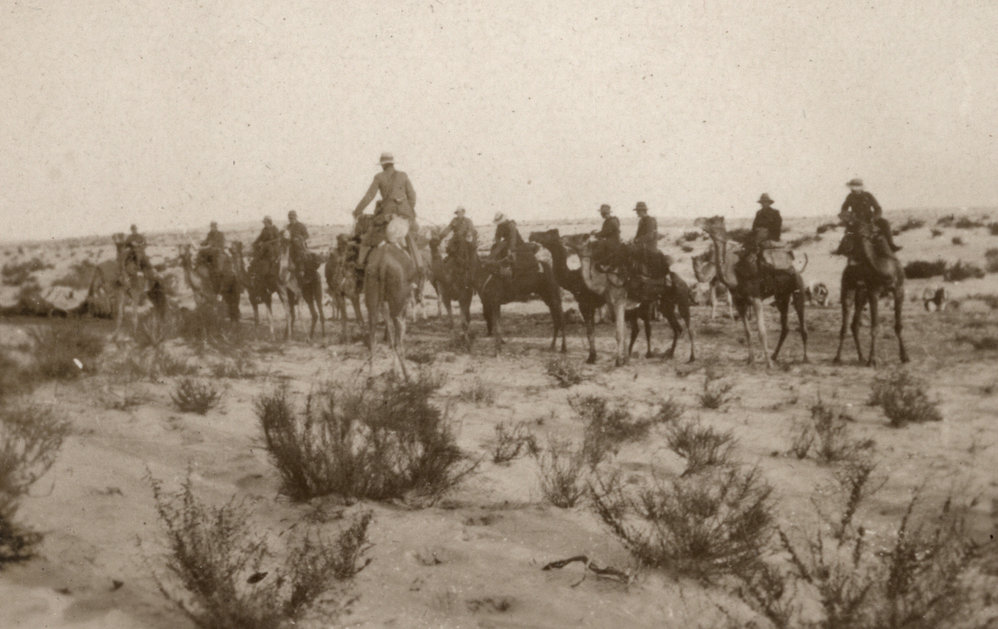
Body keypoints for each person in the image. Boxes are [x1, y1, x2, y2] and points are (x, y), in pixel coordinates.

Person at [352, 152, 421, 271]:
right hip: (406, 216)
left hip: (387, 215)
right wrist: (408, 209)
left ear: (383, 165)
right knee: (414, 234)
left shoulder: (379, 177)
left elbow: (369, 196)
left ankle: (360, 264)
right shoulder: (403, 175)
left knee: (367, 240)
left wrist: (357, 211)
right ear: (392, 163)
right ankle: (419, 265)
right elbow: (412, 196)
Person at [838, 178, 901, 254]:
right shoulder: (850, 197)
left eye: (857, 187)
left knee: (885, 223)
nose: (855, 189)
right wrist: (849, 217)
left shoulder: (868, 195)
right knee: (850, 233)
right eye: (853, 187)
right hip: (856, 220)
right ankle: (842, 249)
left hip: (870, 218)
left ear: (861, 187)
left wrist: (875, 217)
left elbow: (878, 208)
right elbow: (844, 209)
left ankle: (891, 245)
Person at [591, 204, 622, 269]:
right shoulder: (612, 220)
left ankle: (601, 264)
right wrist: (598, 234)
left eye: (602, 213)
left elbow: (604, 232)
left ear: (604, 213)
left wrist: (595, 234)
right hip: (614, 241)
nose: (601, 215)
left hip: (612, 243)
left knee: (596, 246)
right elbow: (605, 232)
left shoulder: (611, 221)